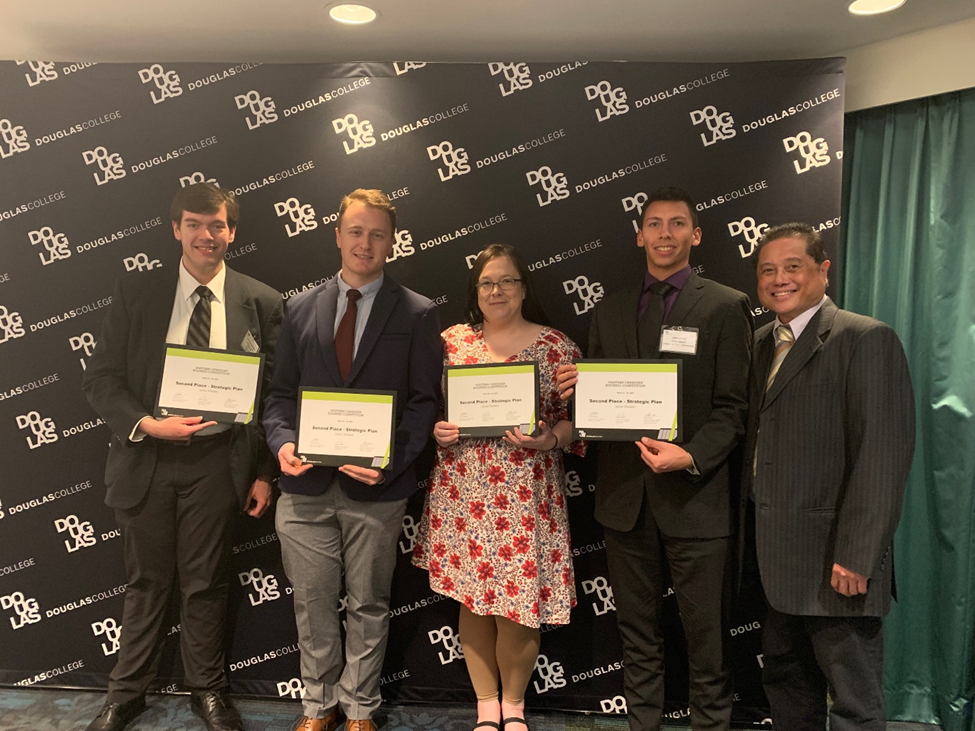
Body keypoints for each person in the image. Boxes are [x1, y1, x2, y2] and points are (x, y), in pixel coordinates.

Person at [82, 183, 283, 731]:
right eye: (194, 223)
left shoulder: (262, 301)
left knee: (206, 581)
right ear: (176, 229)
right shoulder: (137, 292)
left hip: (220, 464)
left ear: (232, 232)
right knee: (147, 580)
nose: (206, 235)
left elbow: (272, 397)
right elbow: (101, 379)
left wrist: (265, 472)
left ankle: (208, 692)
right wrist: (146, 424)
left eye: (217, 225)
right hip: (148, 458)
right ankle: (125, 694)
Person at [557, 187, 752, 731]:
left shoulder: (723, 304)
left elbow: (734, 410)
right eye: (655, 224)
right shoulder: (611, 308)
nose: (665, 234)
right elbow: (600, 411)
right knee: (638, 638)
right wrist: (579, 390)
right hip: (625, 503)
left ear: (696, 234)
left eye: (677, 224)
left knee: (707, 642)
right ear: (638, 235)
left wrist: (688, 455)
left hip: (696, 499)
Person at [262, 189, 442, 731]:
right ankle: (318, 705)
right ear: (337, 235)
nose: (366, 243)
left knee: (368, 604)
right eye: (356, 231)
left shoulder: (417, 312)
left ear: (392, 242)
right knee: (313, 605)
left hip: (377, 490)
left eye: (378, 234)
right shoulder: (297, 309)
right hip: (304, 487)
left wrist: (389, 463)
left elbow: (423, 403)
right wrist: (283, 443)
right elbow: (278, 396)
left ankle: (361, 708)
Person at [741, 223, 915, 731]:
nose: (779, 279)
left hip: (836, 563)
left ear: (823, 270)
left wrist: (858, 553)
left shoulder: (865, 338)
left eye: (792, 266)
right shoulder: (759, 344)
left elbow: (883, 455)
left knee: (853, 700)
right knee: (787, 687)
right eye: (767, 270)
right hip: (775, 560)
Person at [413, 244, 583, 731]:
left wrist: (552, 436)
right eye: (487, 283)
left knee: (520, 607)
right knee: (472, 601)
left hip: (527, 497)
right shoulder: (450, 342)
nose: (496, 291)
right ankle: (486, 707)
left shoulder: (557, 346)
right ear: (475, 292)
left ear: (524, 287)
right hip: (464, 495)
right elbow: (425, 407)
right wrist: (436, 429)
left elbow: (580, 422)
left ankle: (515, 706)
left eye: (507, 281)